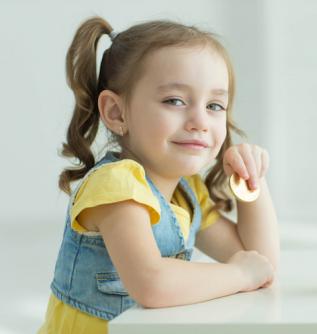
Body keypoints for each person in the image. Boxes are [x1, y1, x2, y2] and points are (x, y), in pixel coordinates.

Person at [38, 16, 279, 334]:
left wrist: (253, 181)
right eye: (175, 101)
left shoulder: (186, 192)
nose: (200, 121)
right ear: (116, 112)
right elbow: (152, 284)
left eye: (215, 105)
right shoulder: (115, 185)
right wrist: (240, 275)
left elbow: (260, 262)